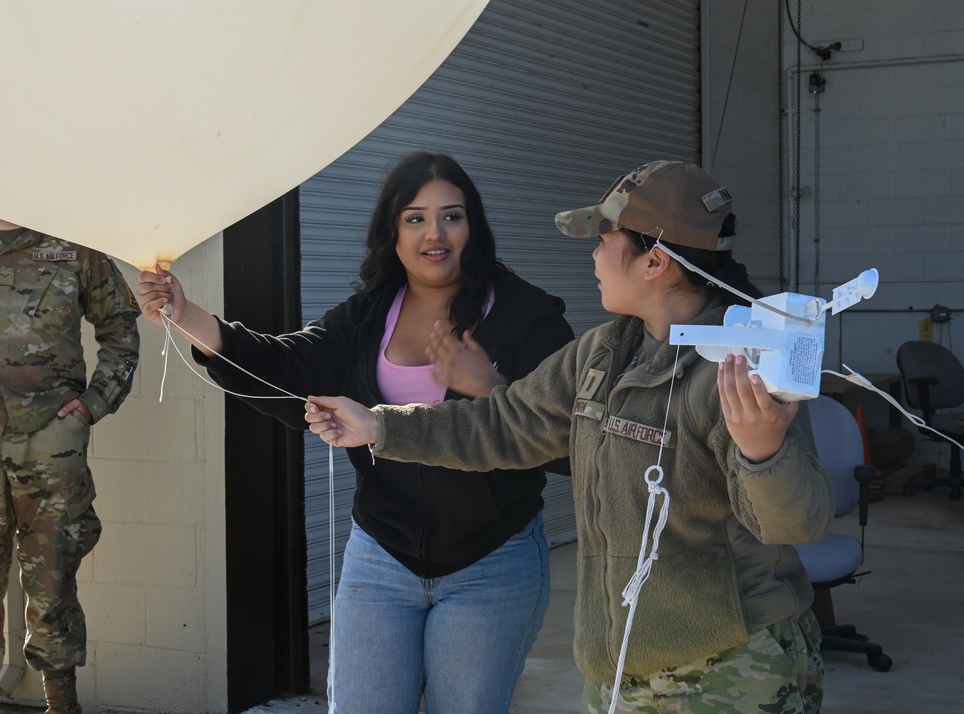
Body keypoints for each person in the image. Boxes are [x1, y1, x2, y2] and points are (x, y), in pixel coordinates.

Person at [303, 161, 836, 714]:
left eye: (605, 241)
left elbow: (798, 524)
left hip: (733, 669)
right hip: (621, 666)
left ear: (653, 261)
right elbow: (504, 423)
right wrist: (381, 426)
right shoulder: (601, 352)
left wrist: (763, 451)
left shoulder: (743, 367)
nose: (594, 256)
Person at [135, 152, 574, 713]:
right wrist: (187, 313)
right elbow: (290, 365)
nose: (434, 234)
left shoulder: (525, 317)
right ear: (391, 231)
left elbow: (568, 439)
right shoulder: (369, 314)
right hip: (382, 555)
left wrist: (489, 384)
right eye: (415, 217)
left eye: (452, 216)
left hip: (491, 561)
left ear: (474, 226)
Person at [0, 214, 141, 714]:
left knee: (54, 573)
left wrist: (93, 404)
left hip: (49, 441)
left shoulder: (76, 248)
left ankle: (61, 703)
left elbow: (120, 329)